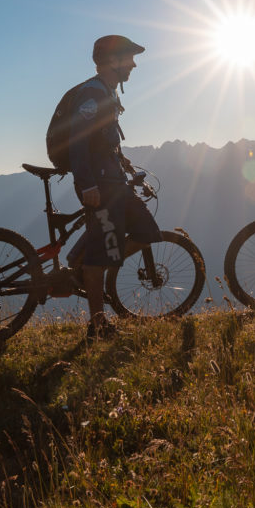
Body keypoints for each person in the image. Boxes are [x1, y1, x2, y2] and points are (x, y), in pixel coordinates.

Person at [69, 35, 162, 339]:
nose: (134, 64)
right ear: (112, 61)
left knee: (147, 232)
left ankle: (85, 261)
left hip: (113, 181)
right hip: (100, 186)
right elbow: (78, 143)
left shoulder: (107, 92)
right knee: (99, 257)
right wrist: (87, 185)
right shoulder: (93, 96)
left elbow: (105, 143)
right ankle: (97, 326)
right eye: (129, 58)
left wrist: (127, 167)